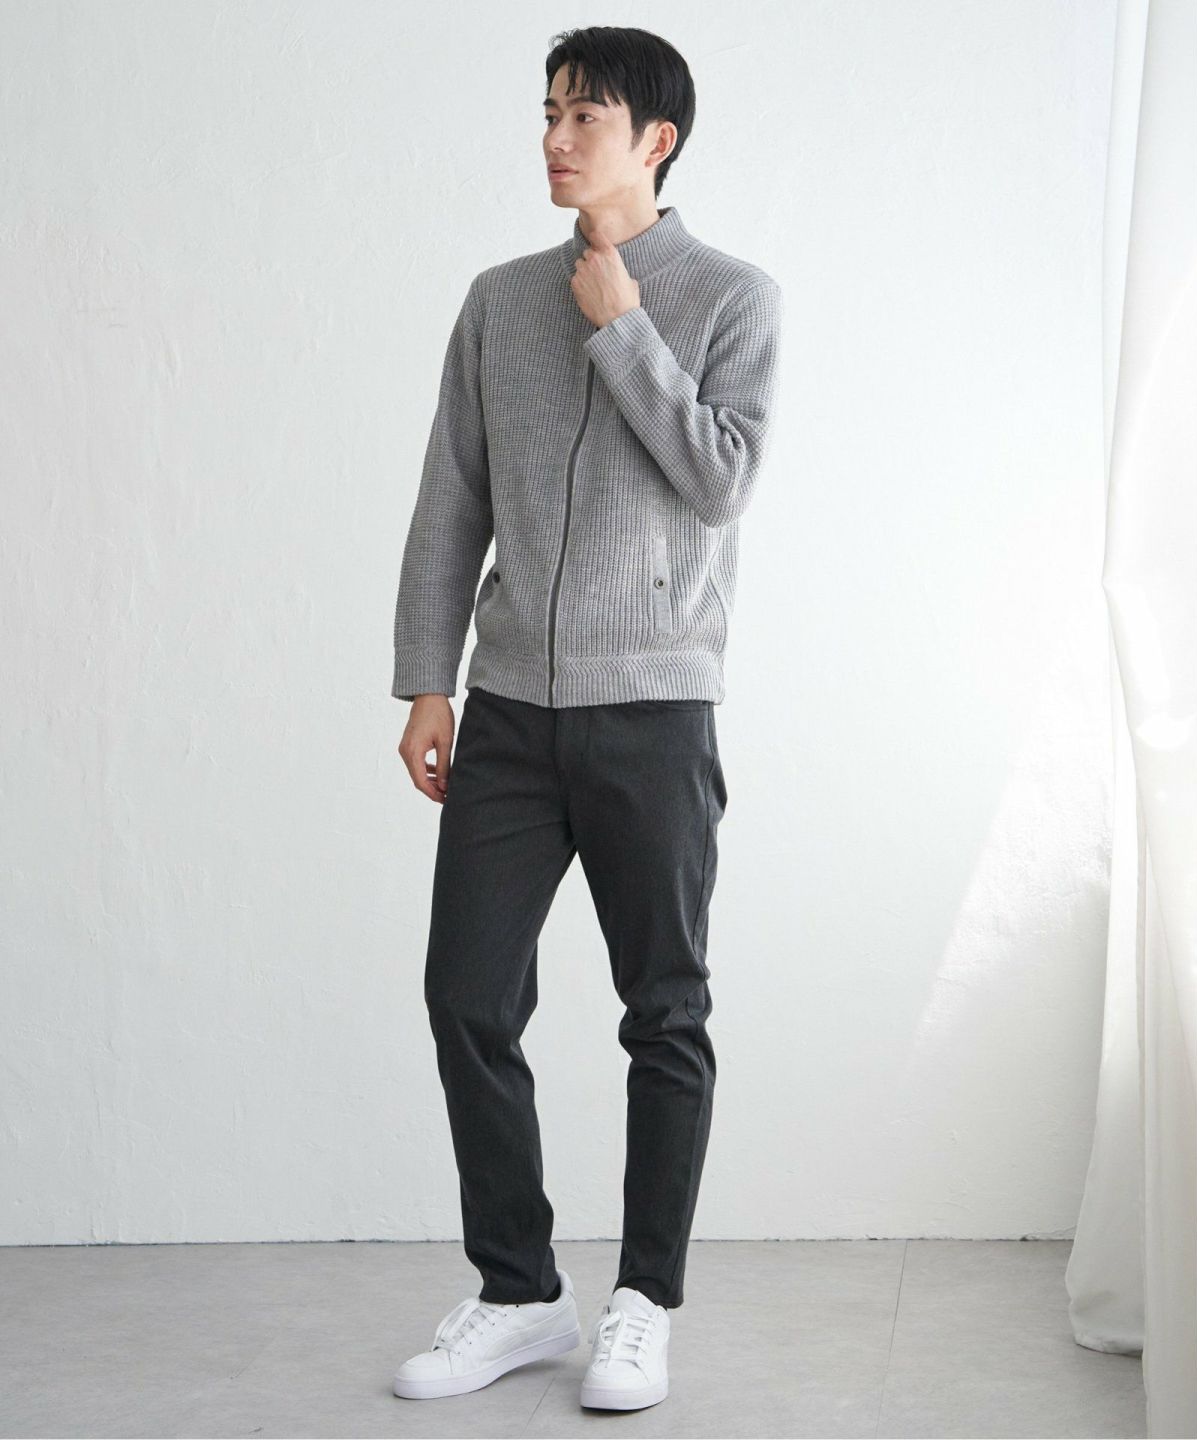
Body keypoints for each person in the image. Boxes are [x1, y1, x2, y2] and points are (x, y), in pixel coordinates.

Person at [389, 24, 783, 1412]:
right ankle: (519, 1290)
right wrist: (428, 677)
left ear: (655, 140)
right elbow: (453, 499)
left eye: (585, 117)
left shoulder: (732, 299)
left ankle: (643, 1303)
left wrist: (623, 327)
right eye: (548, 111)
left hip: (655, 711)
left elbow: (720, 478)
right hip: (509, 710)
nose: (554, 139)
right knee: (466, 995)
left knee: (662, 1011)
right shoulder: (500, 301)